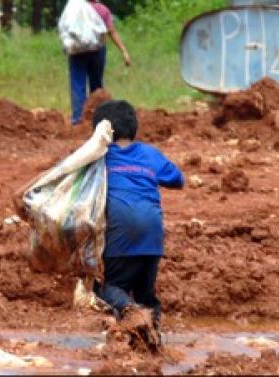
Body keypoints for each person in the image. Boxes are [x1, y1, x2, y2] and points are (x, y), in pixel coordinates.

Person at [92, 100, 184, 345]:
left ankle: (131, 313)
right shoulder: (149, 153)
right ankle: (153, 342)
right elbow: (178, 179)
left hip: (120, 232)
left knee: (110, 288)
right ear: (133, 129)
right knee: (146, 295)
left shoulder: (99, 157)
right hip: (153, 236)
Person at [69, 0, 131, 125]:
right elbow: (111, 31)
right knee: (96, 85)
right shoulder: (103, 10)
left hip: (77, 51)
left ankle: (78, 119)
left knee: (77, 84)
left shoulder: (74, 9)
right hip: (97, 51)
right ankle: (97, 118)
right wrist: (124, 51)